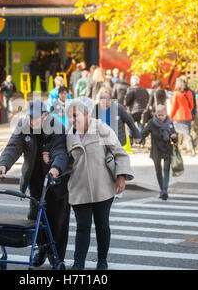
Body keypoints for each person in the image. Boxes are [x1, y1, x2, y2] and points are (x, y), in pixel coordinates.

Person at [0, 99, 70, 267]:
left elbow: (61, 152)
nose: (31, 121)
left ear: (45, 116)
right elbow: (13, 147)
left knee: (57, 221)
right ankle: (42, 248)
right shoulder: (24, 125)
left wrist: (55, 168)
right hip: (36, 181)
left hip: (56, 180)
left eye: (35, 117)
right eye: (30, 117)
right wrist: (3, 165)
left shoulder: (57, 128)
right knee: (35, 217)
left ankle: (57, 257)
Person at [65, 97, 134, 270]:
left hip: (103, 187)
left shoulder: (101, 128)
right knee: (82, 227)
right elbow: (64, 161)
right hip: (79, 189)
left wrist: (121, 177)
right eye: (70, 116)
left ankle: (102, 261)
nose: (73, 120)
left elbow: (119, 152)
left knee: (102, 226)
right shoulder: (67, 135)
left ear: (87, 114)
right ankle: (78, 264)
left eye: (76, 115)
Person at [140, 104, 178, 201]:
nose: (160, 117)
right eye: (159, 115)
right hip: (156, 150)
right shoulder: (152, 122)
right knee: (158, 170)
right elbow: (144, 132)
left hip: (167, 149)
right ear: (156, 114)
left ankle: (164, 190)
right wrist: (139, 138)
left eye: (162, 115)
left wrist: (174, 137)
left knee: (166, 170)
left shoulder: (170, 123)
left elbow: (174, 137)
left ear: (166, 114)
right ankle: (162, 189)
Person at [170, 78, 196, 156]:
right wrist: (188, 111)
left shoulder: (176, 93)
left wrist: (171, 117)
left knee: (176, 134)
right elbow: (192, 106)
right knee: (187, 133)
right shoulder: (189, 93)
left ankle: (176, 150)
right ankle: (192, 150)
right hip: (187, 116)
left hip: (177, 117)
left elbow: (173, 107)